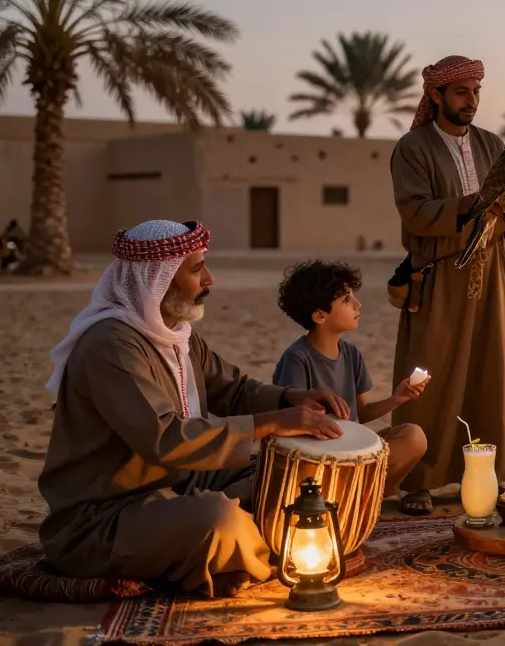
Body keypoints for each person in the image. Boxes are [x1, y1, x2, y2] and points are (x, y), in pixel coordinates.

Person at [38, 220, 351, 598]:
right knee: (218, 521)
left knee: (294, 474)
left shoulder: (174, 333)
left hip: (183, 483)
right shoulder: (112, 347)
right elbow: (164, 437)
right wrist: (270, 424)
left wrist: (289, 398)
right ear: (158, 280)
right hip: (105, 515)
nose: (210, 279)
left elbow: (232, 389)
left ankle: (235, 553)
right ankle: (245, 553)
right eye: (196, 269)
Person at [388, 55, 505, 513]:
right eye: (461, 92)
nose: (471, 101)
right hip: (438, 273)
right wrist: (477, 203)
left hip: (490, 271)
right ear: (435, 95)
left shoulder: (494, 144)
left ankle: (483, 473)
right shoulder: (413, 148)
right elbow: (415, 212)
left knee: (488, 370)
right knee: (429, 371)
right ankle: (418, 482)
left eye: (476, 92)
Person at [272, 260, 432, 514]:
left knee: (414, 436)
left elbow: (360, 414)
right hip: (319, 461)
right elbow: (288, 429)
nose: (358, 305)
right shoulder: (296, 359)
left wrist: (397, 399)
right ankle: (349, 498)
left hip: (355, 454)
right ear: (319, 315)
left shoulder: (351, 354)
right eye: (347, 300)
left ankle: (364, 497)